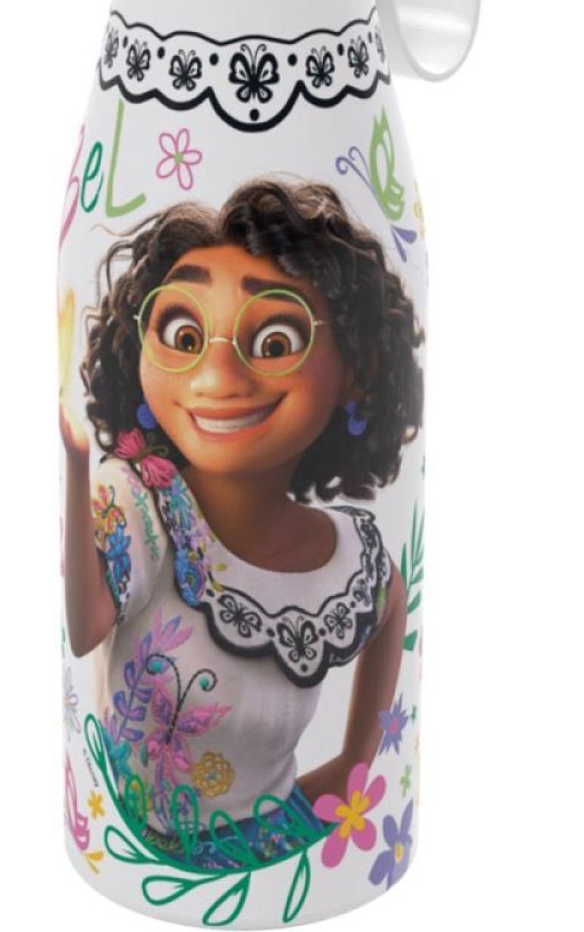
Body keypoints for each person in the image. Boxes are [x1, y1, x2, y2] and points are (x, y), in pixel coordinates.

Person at [60, 178, 422, 868]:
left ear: (358, 367)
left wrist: (270, 858)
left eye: (276, 338)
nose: (217, 374)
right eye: (183, 334)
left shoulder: (363, 569)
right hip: (138, 862)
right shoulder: (139, 504)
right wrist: (75, 466)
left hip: (273, 857)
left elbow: (359, 769)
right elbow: (84, 628)